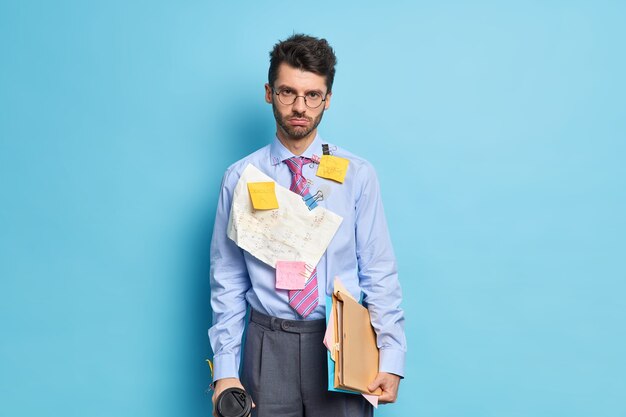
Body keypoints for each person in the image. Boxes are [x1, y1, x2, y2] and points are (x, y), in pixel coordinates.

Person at [209, 34, 406, 417]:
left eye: (313, 95)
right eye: (287, 92)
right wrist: (225, 371)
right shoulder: (239, 178)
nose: (300, 107)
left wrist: (392, 355)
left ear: (327, 98)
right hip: (268, 343)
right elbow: (228, 280)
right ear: (269, 93)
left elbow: (379, 271)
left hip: (341, 345)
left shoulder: (357, 176)